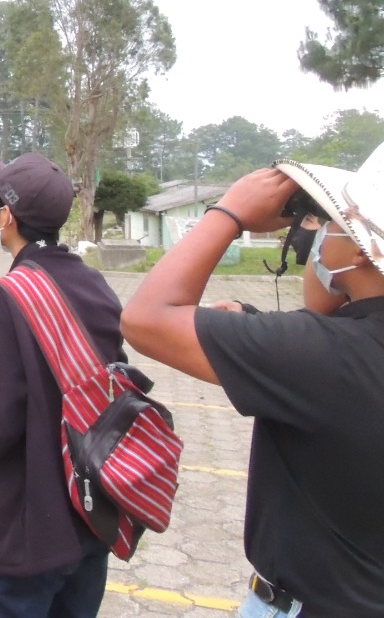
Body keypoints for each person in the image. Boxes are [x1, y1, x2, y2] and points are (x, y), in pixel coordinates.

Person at [121, 149, 384, 617]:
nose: (317, 232)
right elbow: (327, 338)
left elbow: (146, 320)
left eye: (331, 221)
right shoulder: (327, 355)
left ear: (367, 250)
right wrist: (257, 325)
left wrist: (229, 214)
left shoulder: (320, 357)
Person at [0, 153, 121, 618]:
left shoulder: (4, 300)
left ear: (8, 216)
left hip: (31, 531)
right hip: (93, 516)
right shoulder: (94, 284)